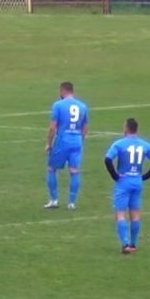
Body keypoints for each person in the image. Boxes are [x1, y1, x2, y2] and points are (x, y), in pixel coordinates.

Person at [104, 118, 150, 254]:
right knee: (135, 214)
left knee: (120, 214)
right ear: (137, 129)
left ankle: (125, 244)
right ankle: (134, 244)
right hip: (137, 181)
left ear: (126, 128)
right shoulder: (144, 144)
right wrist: (145, 176)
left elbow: (107, 159)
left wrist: (115, 176)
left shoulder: (119, 144)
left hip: (123, 182)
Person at [44, 82, 89, 210]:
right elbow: (85, 128)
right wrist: (81, 141)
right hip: (77, 141)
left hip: (63, 140)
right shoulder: (82, 106)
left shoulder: (58, 105)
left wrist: (48, 143)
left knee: (51, 168)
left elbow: (53, 127)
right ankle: (71, 203)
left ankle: (54, 200)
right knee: (74, 170)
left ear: (63, 90)